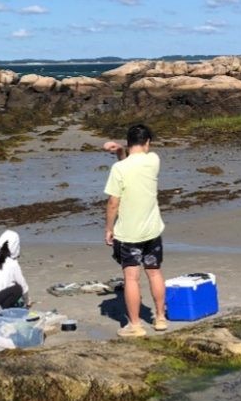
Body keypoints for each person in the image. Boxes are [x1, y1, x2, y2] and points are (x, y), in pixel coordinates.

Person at [103, 124, 168, 337]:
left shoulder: (119, 169)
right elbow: (135, 157)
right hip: (152, 229)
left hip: (129, 232)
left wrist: (109, 227)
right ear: (148, 142)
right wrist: (121, 150)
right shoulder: (153, 160)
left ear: (128, 142)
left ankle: (135, 325)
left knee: (131, 278)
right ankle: (159, 318)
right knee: (154, 271)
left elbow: (113, 202)